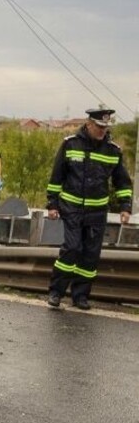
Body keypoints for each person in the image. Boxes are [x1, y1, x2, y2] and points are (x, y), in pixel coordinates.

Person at [45, 107, 133, 310]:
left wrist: (125, 207)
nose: (102, 130)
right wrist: (52, 203)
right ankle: (56, 292)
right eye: (99, 126)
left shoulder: (113, 151)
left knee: (91, 254)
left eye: (106, 127)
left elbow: (122, 183)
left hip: (97, 212)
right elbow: (57, 176)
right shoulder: (70, 144)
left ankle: (80, 296)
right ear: (89, 124)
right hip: (72, 207)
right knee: (73, 248)